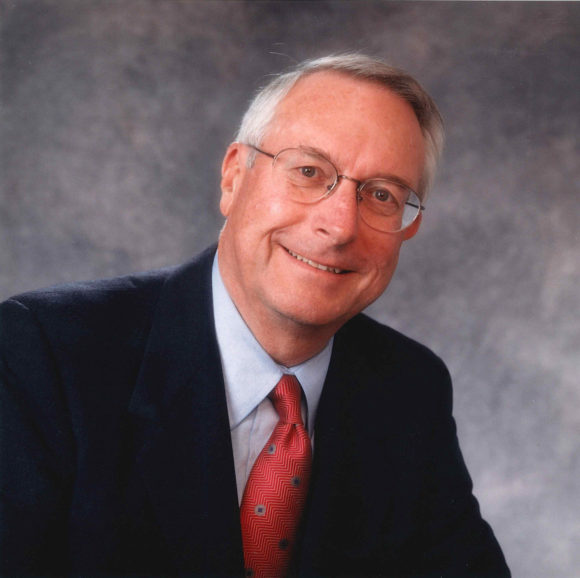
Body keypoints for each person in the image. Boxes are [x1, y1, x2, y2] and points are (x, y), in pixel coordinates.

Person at [0, 54, 510, 577]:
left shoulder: (409, 390)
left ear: (408, 225)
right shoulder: (46, 354)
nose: (339, 226)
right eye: (308, 172)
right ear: (233, 177)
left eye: (381, 195)